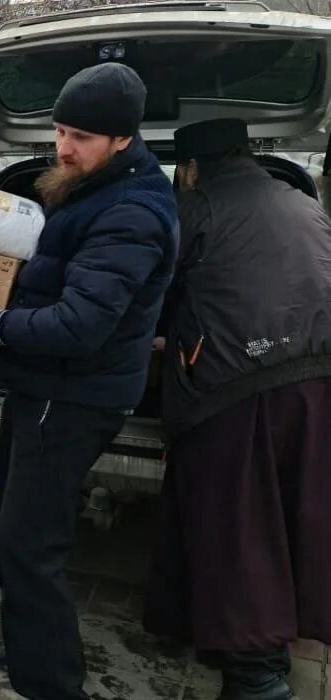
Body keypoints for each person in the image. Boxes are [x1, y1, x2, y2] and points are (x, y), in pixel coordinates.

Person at [0, 64, 179, 700]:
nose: (62, 148)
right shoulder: (96, 186)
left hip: (71, 396)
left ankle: (52, 682)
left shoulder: (134, 211)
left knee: (31, 542)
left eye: (80, 137)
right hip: (43, 388)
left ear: (122, 139)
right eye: (60, 130)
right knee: (10, 522)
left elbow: (81, 325)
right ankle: (26, 642)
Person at [142, 118, 331, 700]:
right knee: (295, 515)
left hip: (233, 386)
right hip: (315, 379)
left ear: (193, 168)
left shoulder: (195, 210)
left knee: (239, 528)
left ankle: (257, 676)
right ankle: (204, 626)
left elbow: (156, 292)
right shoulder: (302, 202)